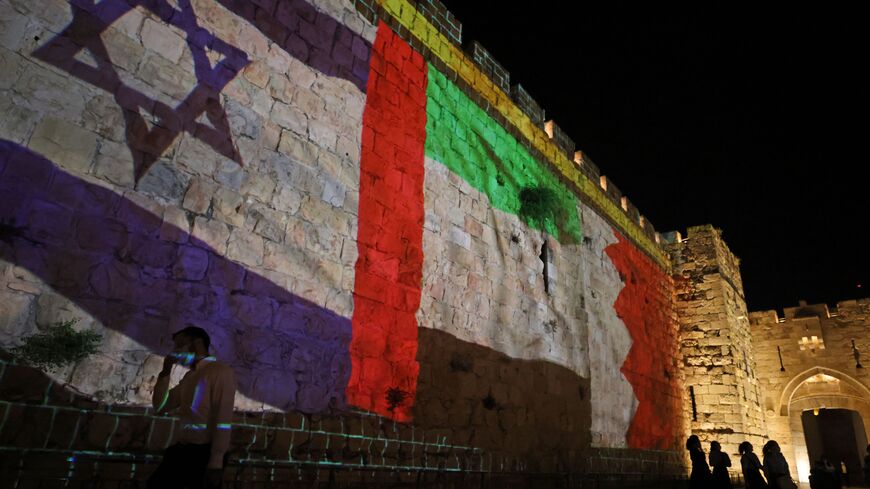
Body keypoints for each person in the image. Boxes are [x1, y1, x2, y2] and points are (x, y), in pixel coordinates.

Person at [148, 326, 236, 489]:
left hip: (202, 454)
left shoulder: (220, 372)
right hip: (183, 450)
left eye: (180, 344)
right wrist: (165, 372)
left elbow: (222, 416)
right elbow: (161, 406)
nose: (176, 351)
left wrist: (216, 461)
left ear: (197, 343)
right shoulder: (190, 377)